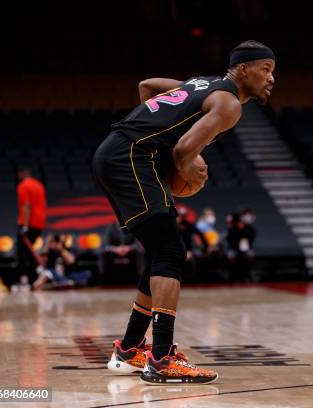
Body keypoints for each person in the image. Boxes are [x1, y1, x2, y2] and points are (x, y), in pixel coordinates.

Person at [92, 40, 275, 385]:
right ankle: (161, 358)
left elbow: (147, 86)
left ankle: (130, 349)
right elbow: (184, 149)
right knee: (171, 252)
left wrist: (160, 144)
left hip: (121, 154)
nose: (271, 78)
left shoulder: (198, 84)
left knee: (162, 254)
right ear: (243, 69)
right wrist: (190, 167)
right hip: (130, 158)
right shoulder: (229, 103)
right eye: (265, 69)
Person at [16, 166, 47, 284]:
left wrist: (25, 225)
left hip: (28, 223)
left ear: (23, 173)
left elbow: (26, 206)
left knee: (23, 253)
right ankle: (34, 276)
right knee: (29, 251)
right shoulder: (39, 184)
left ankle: (29, 277)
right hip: (39, 223)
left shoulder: (23, 186)